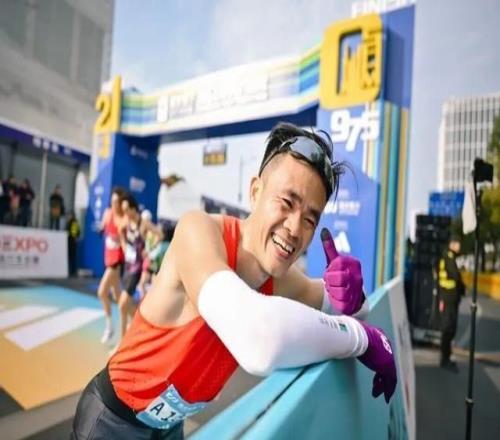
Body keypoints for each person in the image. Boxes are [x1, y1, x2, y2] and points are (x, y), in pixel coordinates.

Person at [71, 122, 396, 439]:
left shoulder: (281, 279)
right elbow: (260, 342)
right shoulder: (199, 231)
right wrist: (360, 339)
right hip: (111, 420)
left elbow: (350, 308)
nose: (295, 228)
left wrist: (352, 295)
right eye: (286, 203)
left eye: (310, 219)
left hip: (168, 426)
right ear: (255, 192)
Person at [97, 187, 128, 344]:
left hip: (117, 261)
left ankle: (109, 326)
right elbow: (103, 228)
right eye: (112, 201)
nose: (114, 204)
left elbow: (123, 240)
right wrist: (101, 227)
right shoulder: (107, 213)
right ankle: (132, 319)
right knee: (118, 296)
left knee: (102, 292)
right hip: (108, 258)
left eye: (116, 201)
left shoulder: (122, 219)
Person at [117, 196, 146, 340]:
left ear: (134, 208)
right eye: (123, 210)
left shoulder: (143, 223)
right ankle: (140, 325)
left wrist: (149, 249)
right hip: (128, 267)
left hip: (137, 270)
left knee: (122, 305)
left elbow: (159, 234)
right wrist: (124, 246)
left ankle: (122, 342)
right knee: (126, 305)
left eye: (127, 210)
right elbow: (120, 231)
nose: (125, 213)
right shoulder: (127, 222)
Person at [438, 236, 465, 372]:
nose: (459, 246)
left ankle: (446, 357)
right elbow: (455, 276)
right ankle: (445, 359)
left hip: (449, 298)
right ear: (452, 244)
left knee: (450, 328)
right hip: (448, 298)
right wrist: (462, 287)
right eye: (458, 243)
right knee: (448, 329)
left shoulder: (449, 257)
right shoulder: (449, 257)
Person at [67, 210, 81, 276]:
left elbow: (74, 233)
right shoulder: (72, 222)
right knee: (72, 257)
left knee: (72, 257)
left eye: (69, 215)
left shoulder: (73, 222)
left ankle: (72, 271)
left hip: (71, 242)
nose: (68, 216)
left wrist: (73, 237)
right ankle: (72, 271)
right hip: (72, 241)